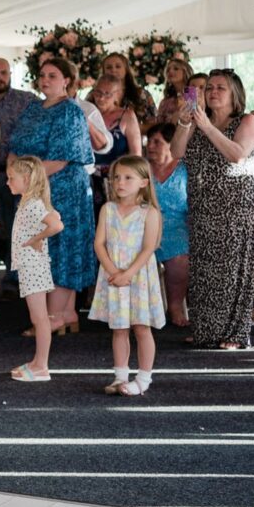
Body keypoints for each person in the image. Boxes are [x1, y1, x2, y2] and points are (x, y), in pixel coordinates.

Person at [170, 69, 254, 349]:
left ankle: (234, 333)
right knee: (203, 268)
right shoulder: (198, 121)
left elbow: (237, 155)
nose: (213, 92)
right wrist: (186, 123)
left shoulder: (247, 121)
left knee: (232, 269)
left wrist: (207, 127)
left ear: (234, 93)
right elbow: (175, 152)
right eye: (209, 87)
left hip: (235, 206)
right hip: (201, 203)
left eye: (221, 87)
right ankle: (207, 329)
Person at [7, 58, 95, 334]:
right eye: (42, 75)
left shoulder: (69, 111)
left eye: (53, 75)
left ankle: (56, 314)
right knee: (42, 249)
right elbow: (15, 146)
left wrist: (26, 180)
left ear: (67, 80)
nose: (45, 80)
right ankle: (65, 314)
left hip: (63, 187)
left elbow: (60, 159)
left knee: (61, 247)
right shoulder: (33, 107)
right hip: (33, 186)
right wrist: (14, 173)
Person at [88, 156, 165, 396]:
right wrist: (114, 272)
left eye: (128, 178)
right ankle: (120, 376)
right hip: (114, 275)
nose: (120, 182)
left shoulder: (148, 212)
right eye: (117, 177)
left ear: (143, 182)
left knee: (141, 327)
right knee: (119, 328)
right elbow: (99, 244)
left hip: (138, 275)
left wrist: (128, 273)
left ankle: (144, 378)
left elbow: (148, 247)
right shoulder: (108, 209)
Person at [6, 156, 63, 382]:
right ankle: (38, 361)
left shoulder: (33, 205)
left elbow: (57, 224)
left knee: (39, 318)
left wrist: (36, 238)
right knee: (37, 317)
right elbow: (55, 216)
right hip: (30, 267)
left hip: (34, 267)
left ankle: (41, 366)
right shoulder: (31, 202)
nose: (8, 182)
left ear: (27, 179)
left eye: (12, 178)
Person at [0, 58, 37, 271]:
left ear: (10, 74)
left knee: (17, 226)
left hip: (18, 175)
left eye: (3, 73)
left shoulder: (27, 100)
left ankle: (14, 280)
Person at [144, 123, 190, 327]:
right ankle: (140, 309)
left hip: (177, 225)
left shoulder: (185, 169)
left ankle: (175, 306)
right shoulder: (140, 169)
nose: (150, 146)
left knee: (180, 258)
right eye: (149, 141)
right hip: (144, 225)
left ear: (171, 144)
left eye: (157, 142)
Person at [87, 75, 143, 210]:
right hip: (90, 180)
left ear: (118, 95)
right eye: (98, 92)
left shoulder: (127, 116)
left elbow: (136, 155)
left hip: (119, 181)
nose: (101, 98)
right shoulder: (88, 114)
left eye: (107, 94)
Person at [101, 52, 154, 124]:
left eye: (118, 66)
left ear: (126, 70)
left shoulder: (141, 94)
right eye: (109, 67)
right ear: (104, 72)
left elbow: (153, 122)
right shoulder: (95, 94)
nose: (113, 70)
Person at [154, 58, 194, 125]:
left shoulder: (191, 93)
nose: (170, 71)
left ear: (185, 72)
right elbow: (159, 124)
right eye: (168, 70)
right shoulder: (165, 102)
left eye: (176, 68)